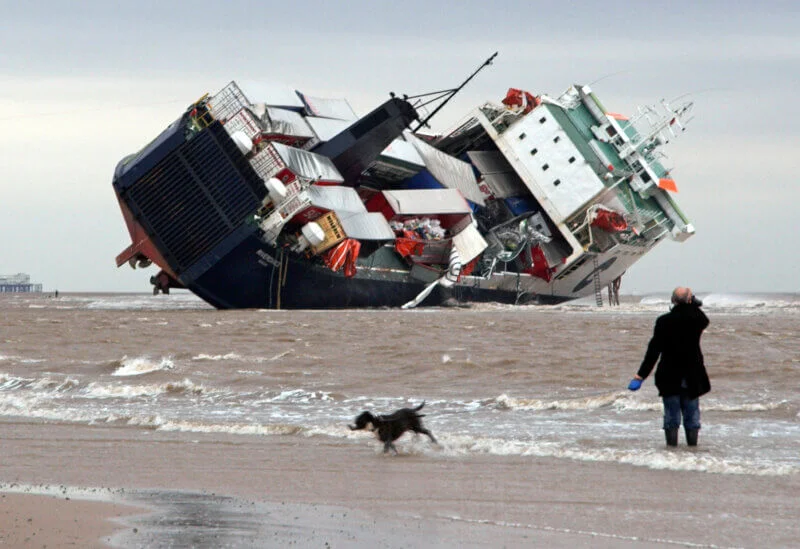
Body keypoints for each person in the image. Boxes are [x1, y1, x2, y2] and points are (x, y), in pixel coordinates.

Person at [628, 287, 710, 447]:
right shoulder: (696, 319)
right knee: (692, 416)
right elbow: (704, 320)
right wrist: (693, 304)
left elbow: (653, 350)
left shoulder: (663, 321)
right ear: (689, 300)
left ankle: (671, 450)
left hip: (668, 374)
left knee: (671, 416)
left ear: (672, 300)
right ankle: (692, 451)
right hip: (692, 374)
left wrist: (641, 375)